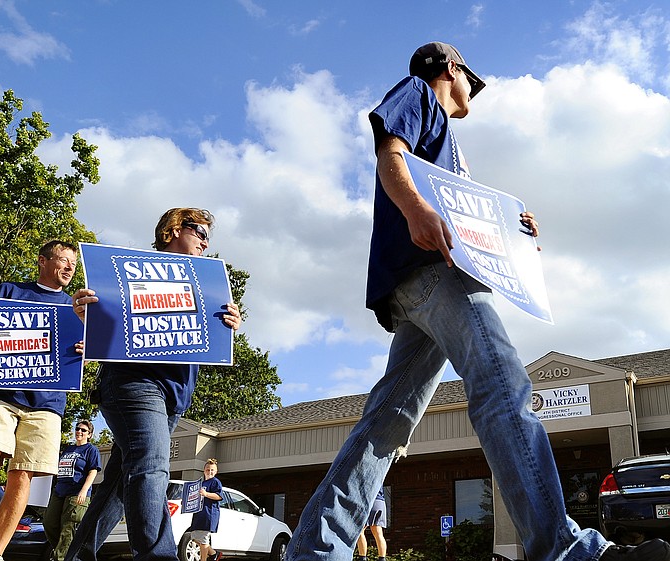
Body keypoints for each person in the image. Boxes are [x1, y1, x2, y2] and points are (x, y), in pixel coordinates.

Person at [284, 41, 670, 561]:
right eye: (472, 79)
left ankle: (314, 549)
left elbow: (466, 216)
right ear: (450, 67)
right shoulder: (419, 92)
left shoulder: (448, 151)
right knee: (502, 387)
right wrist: (416, 210)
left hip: (415, 286)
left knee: (388, 419)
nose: (474, 92)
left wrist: (512, 231)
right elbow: (388, 155)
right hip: (435, 273)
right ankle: (563, 549)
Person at [64, 207, 242, 561]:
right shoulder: (127, 272)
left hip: (173, 397)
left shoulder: (204, 284)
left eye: (209, 237)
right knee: (152, 465)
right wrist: (87, 313)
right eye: (200, 233)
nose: (206, 243)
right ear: (172, 231)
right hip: (133, 384)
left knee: (117, 485)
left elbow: (206, 336)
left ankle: (77, 556)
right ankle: (159, 556)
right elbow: (105, 317)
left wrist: (229, 324)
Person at [0, 240, 83, 561]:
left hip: (47, 403)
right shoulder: (7, 292)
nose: (69, 268)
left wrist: (84, 353)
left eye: (73, 264)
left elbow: (83, 353)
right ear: (42, 261)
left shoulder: (74, 309)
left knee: (22, 474)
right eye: (63, 260)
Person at [44, 419, 102, 561]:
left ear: (90, 434)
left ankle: (61, 557)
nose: (79, 432)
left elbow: (93, 471)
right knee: (48, 522)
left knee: (68, 527)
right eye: (77, 429)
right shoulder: (68, 449)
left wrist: (83, 490)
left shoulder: (91, 450)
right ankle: (62, 551)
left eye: (83, 430)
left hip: (77, 493)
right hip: (59, 491)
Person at [191, 459, 223, 561]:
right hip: (198, 514)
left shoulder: (215, 482)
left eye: (212, 470)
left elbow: (218, 496)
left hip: (208, 513)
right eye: (208, 469)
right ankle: (213, 554)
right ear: (204, 470)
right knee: (195, 538)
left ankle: (203, 559)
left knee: (203, 539)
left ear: (216, 472)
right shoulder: (201, 482)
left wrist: (206, 494)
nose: (210, 472)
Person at [356, 488, 386, 561]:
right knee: (378, 532)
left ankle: (362, 558)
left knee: (360, 531)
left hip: (366, 500)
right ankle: (382, 558)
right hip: (380, 501)